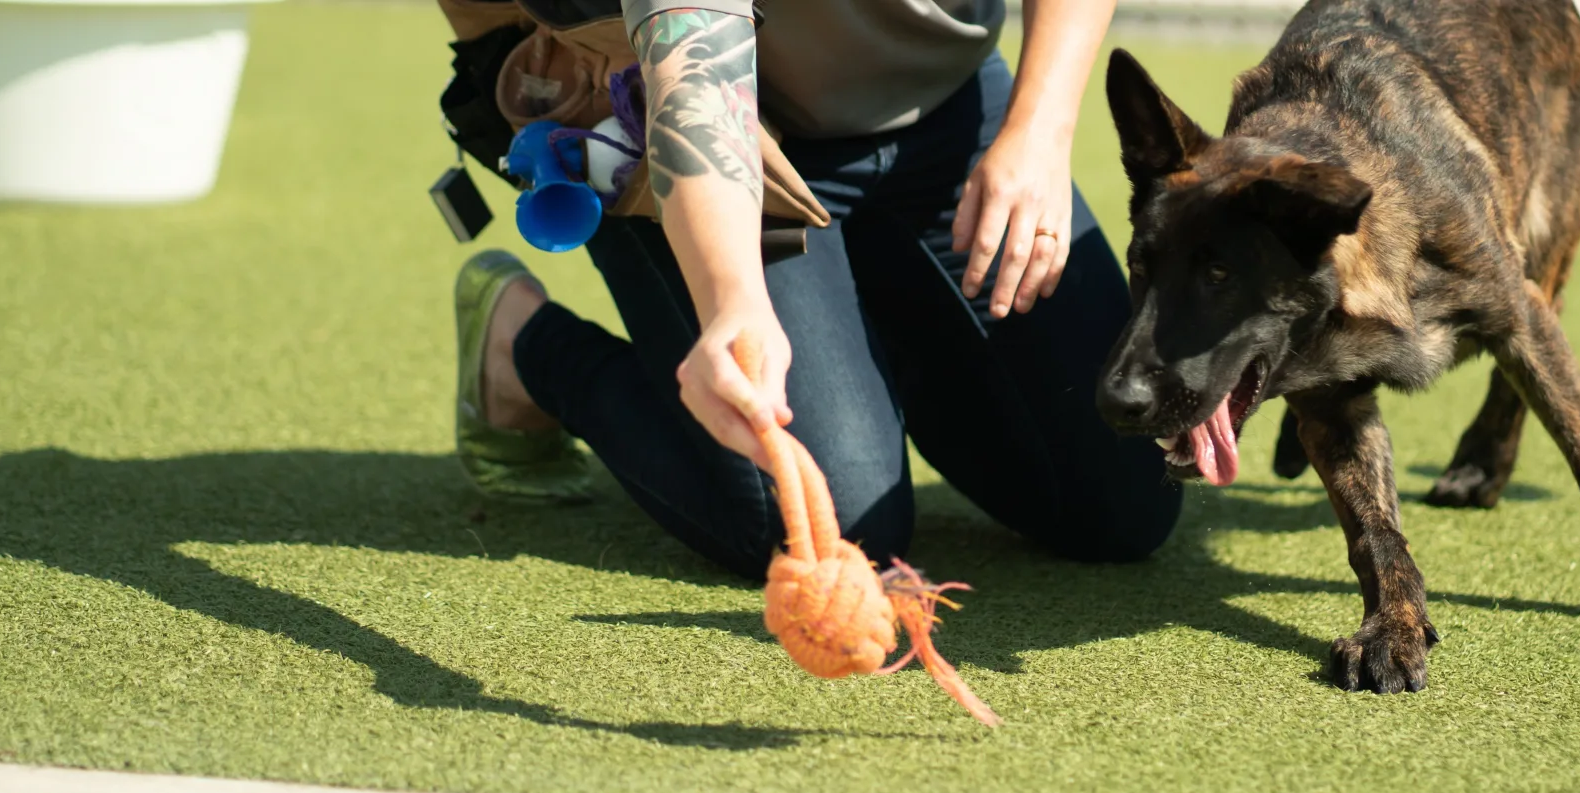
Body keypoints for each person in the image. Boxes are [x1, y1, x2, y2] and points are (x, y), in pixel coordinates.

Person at [443, 0, 1180, 579]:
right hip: (714, 121)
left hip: (946, 103)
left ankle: (856, 312)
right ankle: (523, 345)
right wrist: (733, 301)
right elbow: (697, 87)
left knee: (1122, 502)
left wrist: (1040, 132)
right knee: (827, 527)